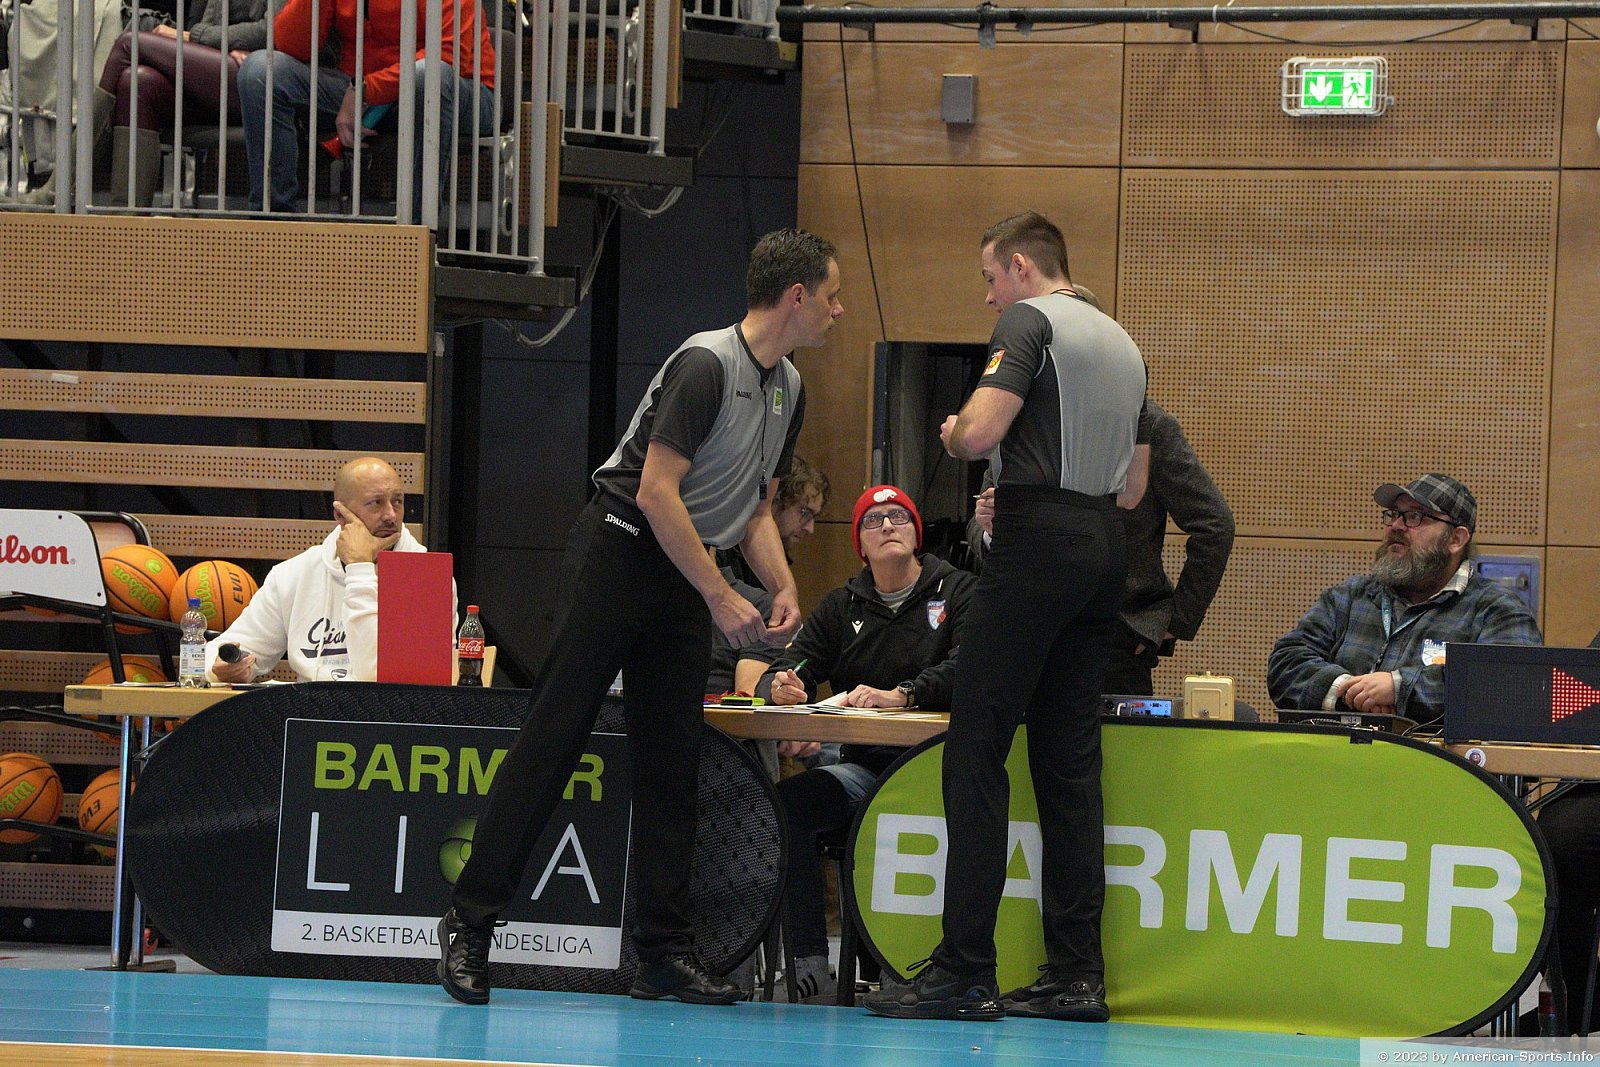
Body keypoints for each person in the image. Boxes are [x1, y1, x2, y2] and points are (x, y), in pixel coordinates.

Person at [438, 228, 842, 1008]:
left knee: (671, 763)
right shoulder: (706, 364)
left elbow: (756, 510)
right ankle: (470, 922)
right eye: (832, 295)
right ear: (797, 297)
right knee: (554, 738)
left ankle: (661, 952)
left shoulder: (790, 387)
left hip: (685, 567)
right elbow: (657, 493)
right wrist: (721, 595)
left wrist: (781, 583)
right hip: (621, 549)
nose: (839, 308)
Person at [864, 211, 1144, 1024]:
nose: (989, 298)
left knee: (976, 747)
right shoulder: (1124, 343)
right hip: (1105, 545)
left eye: (990, 279)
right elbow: (1133, 487)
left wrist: (957, 433)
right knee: (1068, 762)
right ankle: (1076, 973)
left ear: (1022, 266)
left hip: (1037, 542)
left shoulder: (1031, 322)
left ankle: (964, 968)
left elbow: (982, 428)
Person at [750, 484, 974, 1001]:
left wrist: (904, 694)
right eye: (873, 521)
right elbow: (788, 665)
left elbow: (969, 666)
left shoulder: (958, 590)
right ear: (860, 545)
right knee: (787, 806)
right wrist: (781, 686)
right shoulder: (841, 605)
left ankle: (906, 964)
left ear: (916, 534)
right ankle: (809, 964)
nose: (888, 526)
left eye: (899, 517)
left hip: (937, 770)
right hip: (862, 771)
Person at [1267, 473, 1541, 724]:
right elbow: (1286, 662)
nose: (1396, 526)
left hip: (1436, 761)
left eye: (1415, 517)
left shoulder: (1497, 610)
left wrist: (1399, 688)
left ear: (1456, 539)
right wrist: (1347, 690)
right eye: (1394, 515)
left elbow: (1509, 684)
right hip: (1337, 756)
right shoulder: (1349, 597)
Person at [236, 0, 494, 216]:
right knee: (261, 70)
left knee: (427, 75)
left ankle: (417, 232)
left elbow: (447, 56)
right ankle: (272, 223)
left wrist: (366, 90)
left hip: (459, 91)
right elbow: (291, 45)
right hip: (356, 88)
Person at [206, 455, 445, 683]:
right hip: (312, 709)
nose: (391, 515)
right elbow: (222, 652)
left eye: (397, 501)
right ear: (341, 515)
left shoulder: (428, 576)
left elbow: (376, 677)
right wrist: (224, 668)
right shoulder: (293, 575)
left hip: (389, 711)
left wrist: (359, 568)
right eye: (376, 503)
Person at [96, 0, 275, 207]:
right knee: (137, 81)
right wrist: (222, 44)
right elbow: (205, 25)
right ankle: (125, 218)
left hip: (261, 73)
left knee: (129, 43)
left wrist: (215, 40)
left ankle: (68, 177)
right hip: (218, 65)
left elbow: (270, 30)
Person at [705, 455, 829, 698]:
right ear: (774, 501)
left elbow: (751, 695)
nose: (810, 528)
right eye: (804, 512)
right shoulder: (722, 557)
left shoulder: (768, 588)